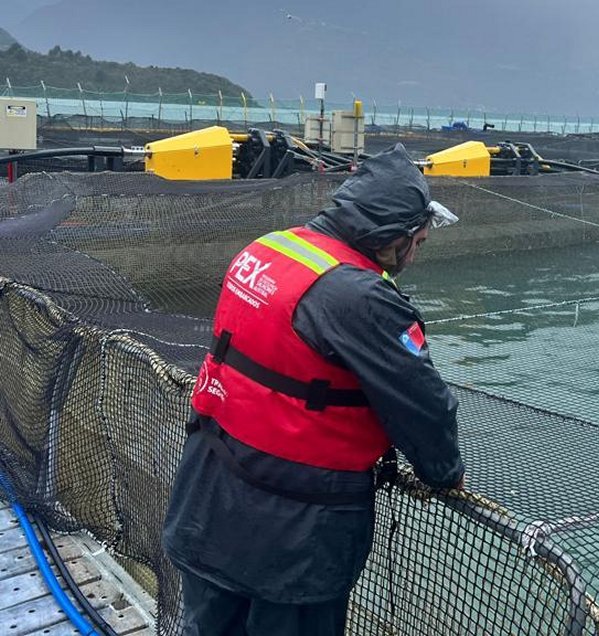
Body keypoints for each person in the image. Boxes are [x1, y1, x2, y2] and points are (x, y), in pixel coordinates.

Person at [162, 143, 465, 636]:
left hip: (208, 499)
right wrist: (444, 473)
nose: (418, 248)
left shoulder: (267, 248)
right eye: (418, 240)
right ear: (390, 239)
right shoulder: (361, 296)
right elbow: (424, 407)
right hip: (293, 535)